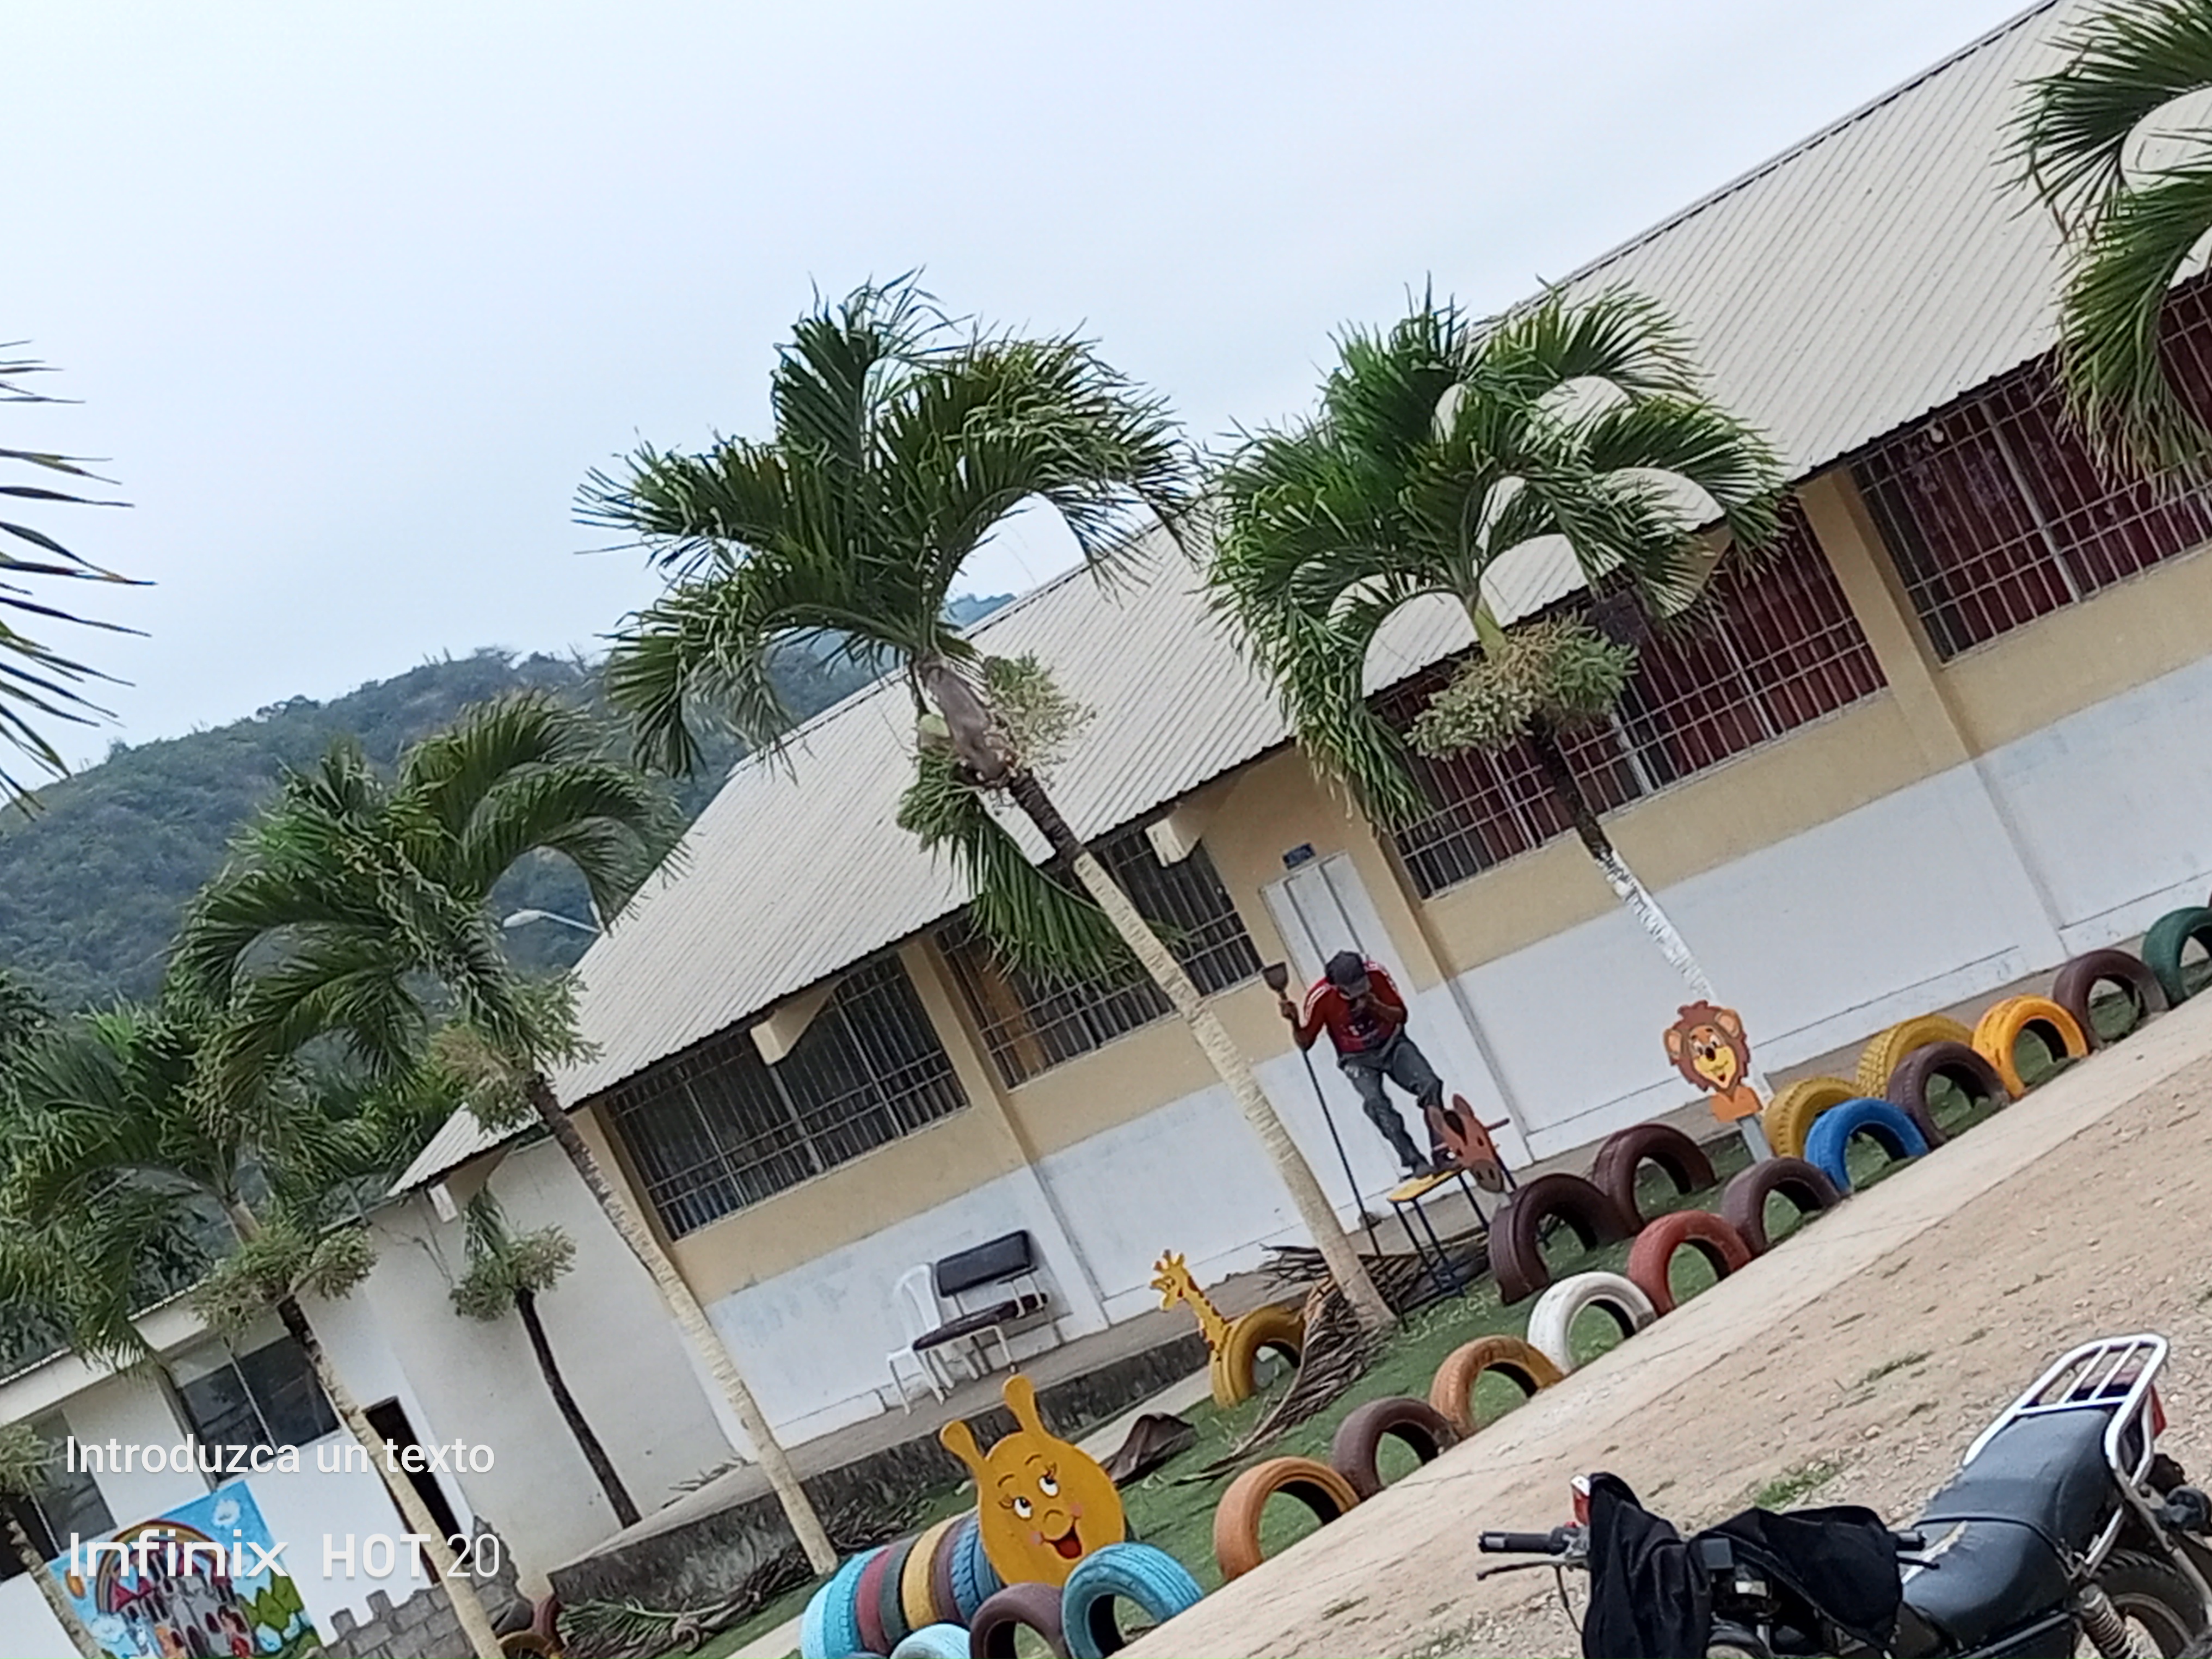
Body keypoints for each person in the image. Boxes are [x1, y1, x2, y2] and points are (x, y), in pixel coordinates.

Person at [1279, 949, 1444, 1177]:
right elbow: (1305, 1043)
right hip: (1356, 1058)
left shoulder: (1376, 974)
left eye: (1362, 984)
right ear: (1336, 986)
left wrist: (1375, 1006)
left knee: (1430, 1084)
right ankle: (1414, 1161)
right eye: (1351, 989)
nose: (1360, 992)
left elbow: (1401, 1016)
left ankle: (1442, 1148)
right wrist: (1295, 1022)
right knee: (1376, 1102)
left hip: (1393, 1042)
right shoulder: (1320, 998)